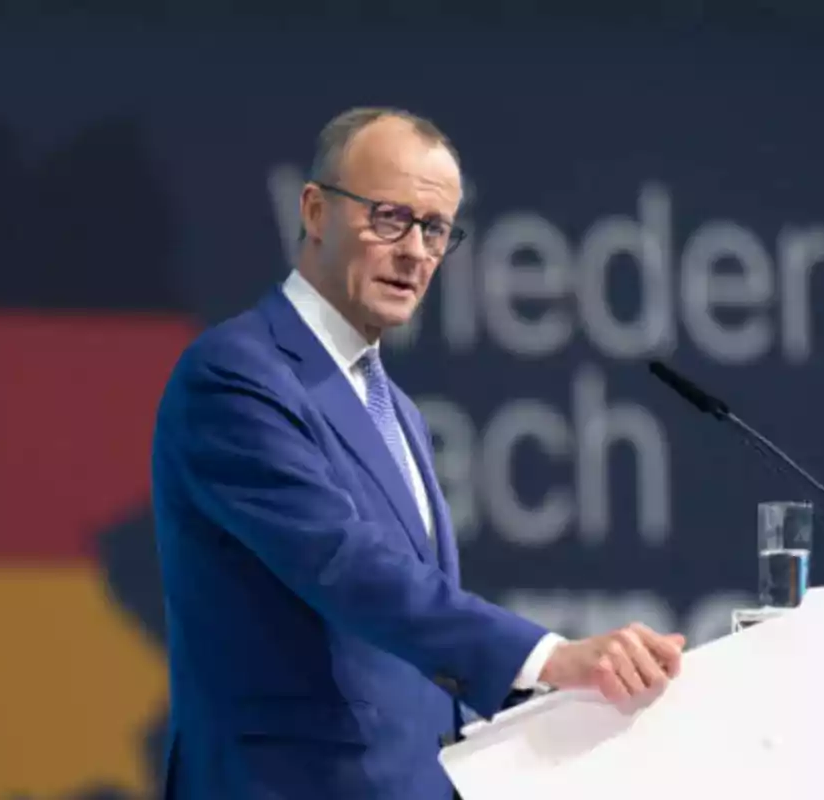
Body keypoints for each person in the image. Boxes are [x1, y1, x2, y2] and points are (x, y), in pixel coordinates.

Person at [151, 106, 686, 799]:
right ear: (315, 211)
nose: (416, 252)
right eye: (389, 218)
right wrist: (551, 656)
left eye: (435, 229)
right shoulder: (236, 374)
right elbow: (344, 565)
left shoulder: (392, 405)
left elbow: (417, 651)